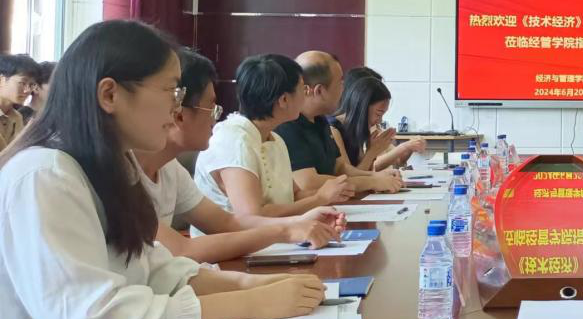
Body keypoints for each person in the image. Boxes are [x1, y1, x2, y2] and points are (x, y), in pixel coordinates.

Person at [0, 20, 327, 319]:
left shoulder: (111, 165)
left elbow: (152, 267)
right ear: (110, 94)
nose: (176, 110)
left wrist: (248, 284)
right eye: (172, 91)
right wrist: (251, 303)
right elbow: (93, 318)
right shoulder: (45, 175)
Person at [134, 48, 344, 263]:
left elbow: (227, 223)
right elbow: (184, 249)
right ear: (178, 113)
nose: (215, 119)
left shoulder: (171, 169)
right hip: (224, 261)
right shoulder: (232, 139)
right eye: (211, 107)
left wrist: (298, 223)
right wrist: (290, 227)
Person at [194, 54, 354, 218]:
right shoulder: (233, 141)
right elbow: (253, 216)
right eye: (303, 89)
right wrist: (320, 198)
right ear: (284, 100)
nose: (307, 94)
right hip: (236, 235)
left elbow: (294, 196)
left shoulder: (275, 140)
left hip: (275, 232)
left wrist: (330, 193)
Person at [274, 51, 402, 193]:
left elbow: (340, 168)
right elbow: (308, 183)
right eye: (340, 83)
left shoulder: (320, 120)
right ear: (319, 91)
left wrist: (376, 176)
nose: (344, 90)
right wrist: (371, 181)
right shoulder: (288, 124)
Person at [331, 76, 427, 172]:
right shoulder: (334, 130)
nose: (380, 121)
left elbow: (367, 173)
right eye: (378, 114)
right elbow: (350, 177)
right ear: (362, 108)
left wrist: (371, 153)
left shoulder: (355, 130)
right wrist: (372, 152)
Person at [0, 54, 40, 151]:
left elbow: (19, 155)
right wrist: (24, 135)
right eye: (22, 83)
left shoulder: (17, 117)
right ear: (1, 80)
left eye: (31, 85)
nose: (27, 90)